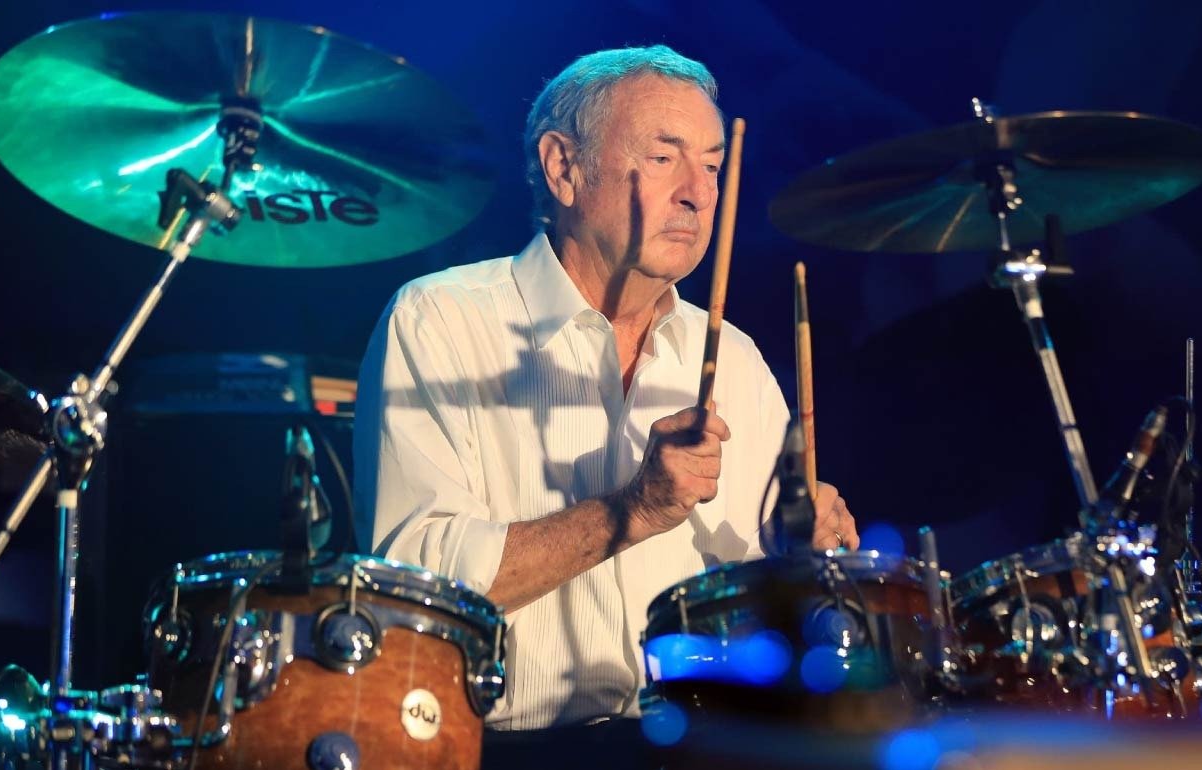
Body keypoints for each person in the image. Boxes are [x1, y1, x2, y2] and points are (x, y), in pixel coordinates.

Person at [354, 44, 859, 738]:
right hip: (510, 751)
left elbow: (775, 620)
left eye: (714, 166)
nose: (699, 192)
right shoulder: (440, 319)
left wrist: (802, 554)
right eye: (664, 156)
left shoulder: (735, 358)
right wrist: (633, 510)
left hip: (703, 742)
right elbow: (412, 586)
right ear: (564, 168)